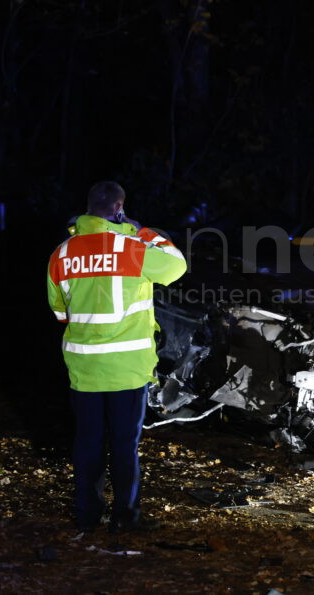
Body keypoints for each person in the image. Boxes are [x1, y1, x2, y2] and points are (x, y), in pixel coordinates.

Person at [47, 180, 186, 533]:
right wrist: (148, 233)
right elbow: (176, 267)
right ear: (119, 207)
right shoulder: (131, 246)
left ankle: (87, 515)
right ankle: (126, 518)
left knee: (87, 440)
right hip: (127, 367)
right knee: (124, 443)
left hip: (84, 367)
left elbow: (59, 310)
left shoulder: (62, 253)